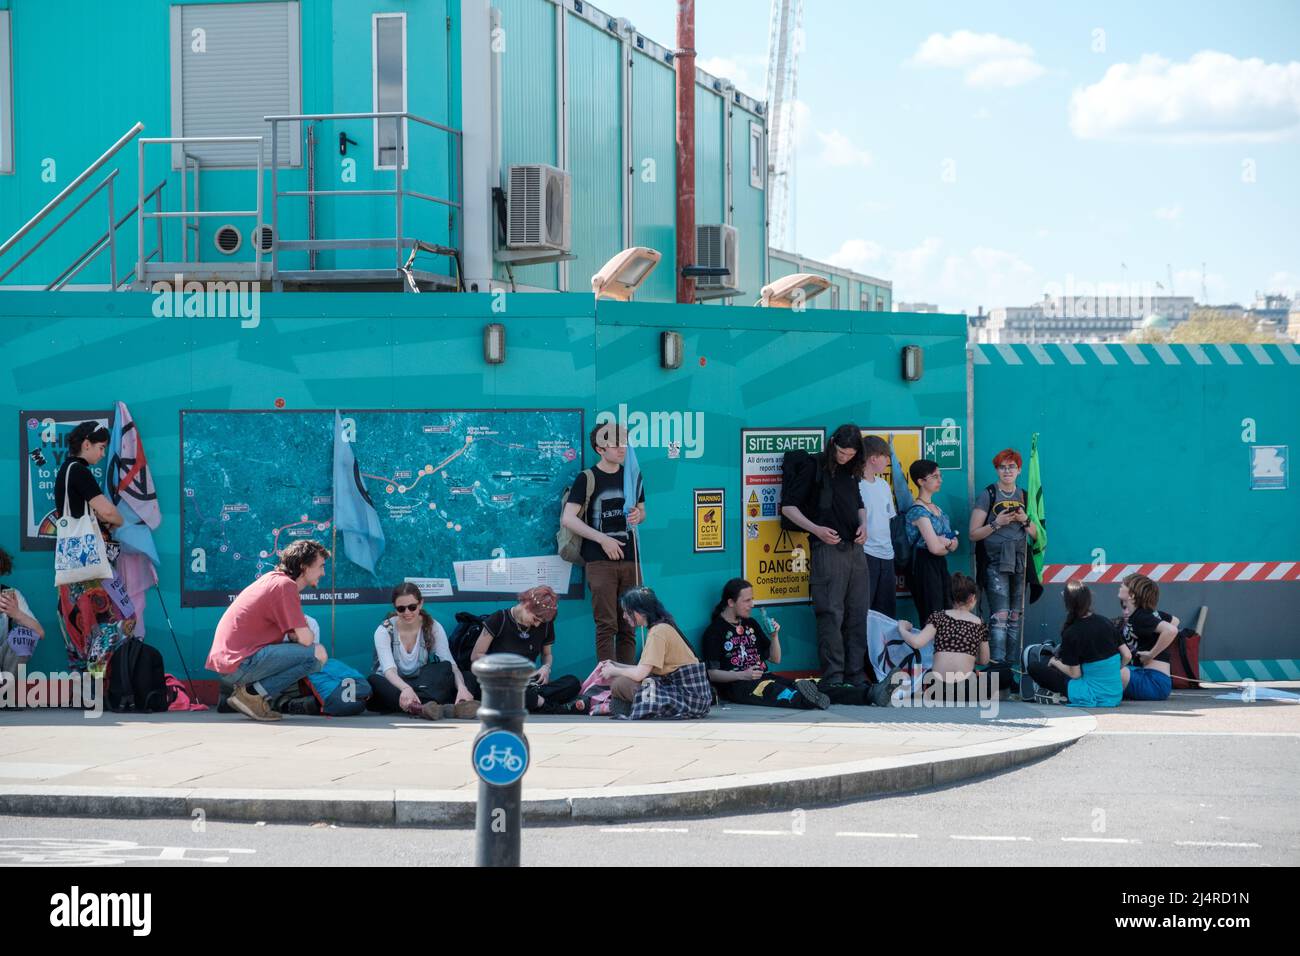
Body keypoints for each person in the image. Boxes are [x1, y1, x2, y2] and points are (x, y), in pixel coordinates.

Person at [780, 423, 870, 689]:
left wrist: (865, 524)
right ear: (833, 444)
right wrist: (817, 530)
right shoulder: (814, 465)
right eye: (842, 452)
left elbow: (859, 505)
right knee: (831, 614)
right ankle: (833, 678)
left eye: (851, 454)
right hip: (826, 548)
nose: (845, 458)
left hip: (855, 548)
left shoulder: (851, 470)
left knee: (858, 614)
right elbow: (788, 507)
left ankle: (856, 675)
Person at [206, 539, 330, 722]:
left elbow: (295, 635)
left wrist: (300, 634)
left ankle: (251, 696)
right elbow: (305, 639)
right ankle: (251, 695)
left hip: (233, 663)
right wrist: (306, 635)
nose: (323, 572)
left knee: (312, 654)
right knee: (318, 653)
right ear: (304, 566)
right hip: (240, 664)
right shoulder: (285, 586)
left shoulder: (275, 580)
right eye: (320, 566)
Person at [52, 421, 134, 673]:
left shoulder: (65, 470)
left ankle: (83, 687)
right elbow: (109, 513)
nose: (101, 453)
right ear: (85, 444)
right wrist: (119, 519)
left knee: (78, 628)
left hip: (70, 568)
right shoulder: (79, 471)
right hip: (89, 570)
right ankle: (98, 681)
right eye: (100, 447)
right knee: (120, 621)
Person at [561, 423, 645, 665]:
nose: (622, 449)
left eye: (624, 443)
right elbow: (568, 518)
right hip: (599, 561)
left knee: (629, 625)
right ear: (600, 448)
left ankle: (626, 684)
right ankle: (606, 686)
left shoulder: (633, 475)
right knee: (606, 625)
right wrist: (602, 539)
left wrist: (639, 516)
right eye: (615, 444)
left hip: (631, 559)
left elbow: (642, 511)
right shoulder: (587, 478)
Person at [702, 579, 830, 710]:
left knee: (803, 683)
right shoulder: (714, 632)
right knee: (779, 692)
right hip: (739, 685)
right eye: (747, 601)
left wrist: (774, 636)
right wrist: (742, 674)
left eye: (752, 599)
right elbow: (712, 674)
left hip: (765, 676)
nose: (752, 604)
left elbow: (775, 659)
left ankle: (834, 693)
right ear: (730, 602)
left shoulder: (750, 623)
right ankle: (810, 699)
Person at [594, 587, 711, 719]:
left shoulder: (657, 632)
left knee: (620, 684)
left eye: (627, 612)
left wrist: (613, 671)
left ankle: (622, 709)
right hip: (696, 698)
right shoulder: (662, 627)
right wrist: (616, 665)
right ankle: (623, 708)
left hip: (688, 699)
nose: (624, 616)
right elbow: (645, 669)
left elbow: (640, 674)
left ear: (640, 612)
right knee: (624, 681)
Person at [969, 449, 1038, 666]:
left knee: (1015, 617)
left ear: (1019, 470)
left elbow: (1038, 535)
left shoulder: (1025, 496)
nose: (1007, 471)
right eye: (1002, 466)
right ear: (997, 470)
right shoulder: (988, 494)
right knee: (999, 616)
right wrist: (997, 523)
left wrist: (1025, 520)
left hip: (1020, 562)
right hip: (994, 562)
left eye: (1011, 466)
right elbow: (973, 534)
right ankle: (997, 666)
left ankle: (1013, 668)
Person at [367, 583, 477, 720]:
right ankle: (441, 708)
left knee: (467, 678)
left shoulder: (432, 627)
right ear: (395, 609)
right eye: (401, 609)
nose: (407, 613)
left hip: (422, 682)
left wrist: (461, 688)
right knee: (373, 682)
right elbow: (389, 671)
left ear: (421, 604)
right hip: (394, 684)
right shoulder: (384, 631)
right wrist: (405, 689)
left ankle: (422, 707)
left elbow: (449, 664)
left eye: (412, 607)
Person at [897, 573, 1011, 702]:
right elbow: (984, 660)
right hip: (967, 689)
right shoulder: (979, 623)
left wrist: (902, 627)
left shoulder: (938, 617)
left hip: (936, 688)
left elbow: (916, 642)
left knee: (929, 674)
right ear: (972, 598)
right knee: (1005, 672)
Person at [467, 585, 581, 713]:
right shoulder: (499, 619)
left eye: (541, 622)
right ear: (527, 605)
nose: (537, 624)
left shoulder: (546, 625)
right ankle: (550, 707)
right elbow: (476, 656)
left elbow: (547, 654)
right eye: (535, 619)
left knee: (573, 682)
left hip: (527, 683)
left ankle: (533, 701)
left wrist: (546, 667)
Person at [1026, 581, 1129, 707]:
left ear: (1068, 603)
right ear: (1088, 599)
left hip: (1089, 693)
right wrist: (1108, 672)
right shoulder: (1106, 622)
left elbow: (1075, 674)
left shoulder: (1071, 632)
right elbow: (1127, 655)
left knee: (1034, 667)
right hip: (1115, 695)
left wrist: (1054, 662)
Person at [904, 459, 958, 625]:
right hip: (923, 566)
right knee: (932, 616)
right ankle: (929, 651)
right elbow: (934, 547)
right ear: (921, 481)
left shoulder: (937, 509)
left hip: (940, 565)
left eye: (940, 476)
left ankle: (943, 651)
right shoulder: (918, 511)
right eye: (934, 476)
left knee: (947, 611)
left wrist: (945, 543)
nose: (939, 480)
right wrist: (943, 543)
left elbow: (954, 543)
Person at [1118, 573, 1177, 702]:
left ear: (1132, 595)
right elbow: (1175, 621)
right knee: (1108, 669)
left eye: (1123, 585)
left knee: (1105, 672)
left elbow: (1172, 630)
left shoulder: (1141, 617)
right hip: (1144, 674)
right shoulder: (1146, 615)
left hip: (1154, 682)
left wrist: (1151, 654)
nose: (1120, 586)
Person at [859, 435, 898, 619]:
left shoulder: (883, 485)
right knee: (864, 611)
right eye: (886, 456)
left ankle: (885, 649)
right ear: (874, 458)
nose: (888, 461)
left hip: (887, 555)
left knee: (886, 614)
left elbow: (889, 519)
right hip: (866, 555)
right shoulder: (856, 485)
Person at [1, 546, 45, 700]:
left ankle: (5, 692)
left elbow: (40, 633)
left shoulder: (11, 594)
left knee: (23, 636)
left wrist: (16, 613)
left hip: (4, 662)